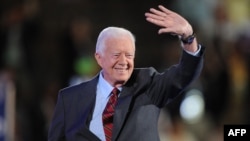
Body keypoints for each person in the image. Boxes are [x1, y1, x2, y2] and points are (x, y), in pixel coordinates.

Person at [48, 5, 205, 141]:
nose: (124, 61)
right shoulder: (69, 99)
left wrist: (188, 38)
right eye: (116, 55)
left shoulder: (148, 85)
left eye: (129, 55)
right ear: (99, 58)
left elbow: (184, 74)